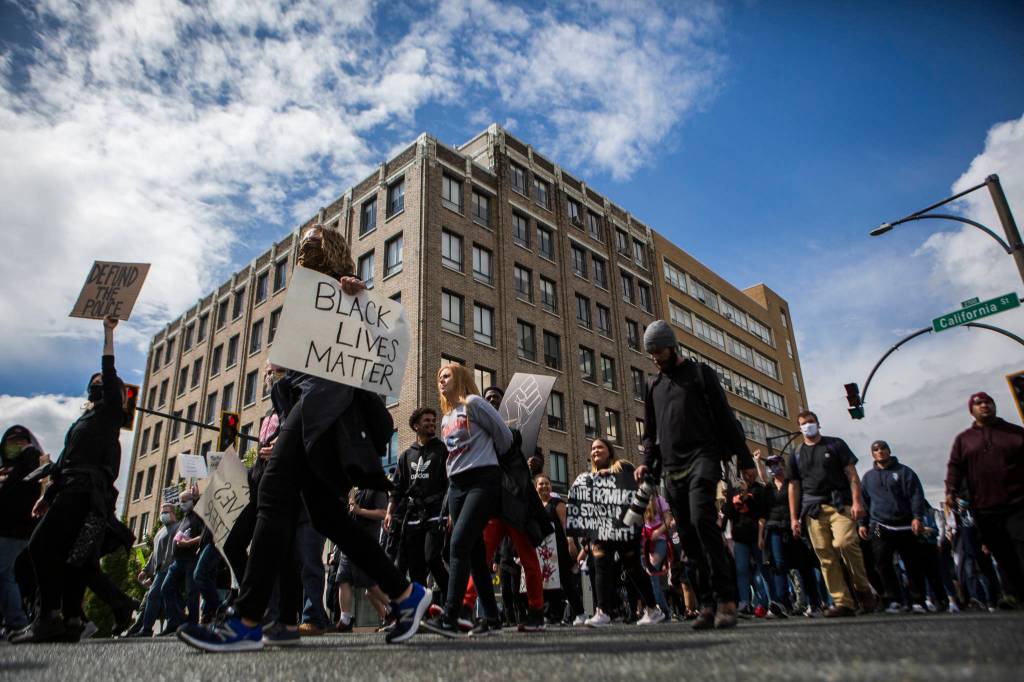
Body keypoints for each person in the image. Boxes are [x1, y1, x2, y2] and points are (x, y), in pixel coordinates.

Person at [178, 225, 430, 652]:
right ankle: (406, 594)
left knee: (274, 490)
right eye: (304, 241)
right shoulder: (303, 302)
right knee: (329, 518)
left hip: (329, 406)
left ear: (332, 249)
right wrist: (279, 374)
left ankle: (247, 618)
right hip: (310, 408)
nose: (306, 245)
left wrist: (360, 300)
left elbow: (378, 349)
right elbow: (294, 380)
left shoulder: (347, 293)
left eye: (315, 240)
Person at [13, 316, 132, 644]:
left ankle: (49, 618)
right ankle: (68, 619)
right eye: (94, 380)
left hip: (85, 495)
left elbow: (108, 372)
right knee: (72, 560)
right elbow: (65, 461)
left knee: (41, 547)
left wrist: (108, 334)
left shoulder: (109, 415)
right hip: (70, 491)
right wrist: (46, 495)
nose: (98, 381)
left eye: (103, 381)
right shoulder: (84, 421)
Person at [636, 320, 755, 630]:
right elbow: (651, 434)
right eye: (650, 353)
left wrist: (745, 459)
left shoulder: (701, 375)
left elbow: (726, 418)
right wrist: (648, 463)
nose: (654, 357)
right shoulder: (653, 386)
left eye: (658, 351)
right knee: (687, 536)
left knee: (703, 520)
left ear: (672, 346)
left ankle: (727, 600)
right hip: (672, 469)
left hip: (703, 457)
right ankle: (706, 604)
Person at [421, 364, 510, 638]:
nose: (441, 381)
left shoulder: (474, 403)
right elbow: (452, 458)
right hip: (457, 486)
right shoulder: (447, 418)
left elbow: (504, 437)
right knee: (474, 553)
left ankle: (451, 615)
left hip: (483, 480)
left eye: (446, 375)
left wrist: (486, 459)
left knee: (458, 544)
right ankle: (492, 618)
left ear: (460, 378)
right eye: (438, 378)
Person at [459, 384, 550, 633]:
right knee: (480, 557)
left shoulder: (514, 433)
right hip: (490, 505)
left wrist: (535, 463)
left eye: (496, 398)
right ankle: (467, 610)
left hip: (515, 502)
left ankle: (536, 612)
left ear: (503, 403)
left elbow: (534, 456)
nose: (491, 401)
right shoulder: (476, 433)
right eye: (487, 398)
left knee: (528, 558)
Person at [788, 411, 875, 617]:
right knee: (825, 557)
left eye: (811, 422)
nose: (807, 426)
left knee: (845, 543)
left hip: (840, 505)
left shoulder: (835, 445)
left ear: (818, 424)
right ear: (799, 428)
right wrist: (794, 518)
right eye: (803, 423)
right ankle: (842, 601)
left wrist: (856, 501)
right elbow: (794, 486)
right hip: (813, 510)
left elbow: (851, 474)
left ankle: (863, 589)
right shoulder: (797, 453)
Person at [945, 391, 1024, 607]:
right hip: (984, 506)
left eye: (988, 402)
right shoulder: (964, 440)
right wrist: (950, 490)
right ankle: (1013, 595)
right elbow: (955, 467)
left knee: (1021, 545)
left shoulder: (1015, 433)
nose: (984, 406)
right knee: (1002, 552)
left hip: (1018, 503)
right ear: (972, 410)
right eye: (979, 403)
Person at [583, 438, 665, 628]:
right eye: (593, 448)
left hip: (625, 526)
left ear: (609, 451)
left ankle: (653, 609)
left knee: (632, 567)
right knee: (601, 564)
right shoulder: (591, 476)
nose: (595, 451)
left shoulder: (623, 466)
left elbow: (632, 486)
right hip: (602, 528)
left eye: (600, 447)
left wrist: (608, 473)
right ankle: (602, 611)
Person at [859, 440, 935, 613]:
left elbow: (916, 495)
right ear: (872, 454)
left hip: (905, 525)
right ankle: (893, 599)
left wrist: (917, 517)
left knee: (912, 563)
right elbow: (864, 502)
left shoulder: (904, 472)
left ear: (889, 451)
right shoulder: (868, 477)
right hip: (878, 525)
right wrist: (862, 524)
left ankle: (918, 600)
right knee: (881, 562)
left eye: (883, 449)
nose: (880, 452)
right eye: (876, 450)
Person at [384, 407, 449, 604]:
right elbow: (397, 488)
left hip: (436, 512)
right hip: (412, 517)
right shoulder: (406, 456)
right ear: (416, 426)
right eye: (427, 420)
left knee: (431, 557)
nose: (431, 423)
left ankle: (454, 602)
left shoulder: (442, 450)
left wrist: (451, 512)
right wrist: (389, 512)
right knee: (415, 567)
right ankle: (424, 612)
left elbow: (450, 483)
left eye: (433, 420)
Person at [759, 452, 822, 616]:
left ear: (783, 465)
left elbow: (802, 503)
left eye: (776, 464)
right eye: (770, 465)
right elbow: (764, 514)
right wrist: (761, 535)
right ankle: (782, 604)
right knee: (778, 566)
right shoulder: (768, 488)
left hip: (793, 527)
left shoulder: (793, 484)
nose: (773, 468)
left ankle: (814, 603)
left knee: (803, 565)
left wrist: (799, 521)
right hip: (774, 529)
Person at [0, 425, 43, 637]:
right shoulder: (7, 470)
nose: (13, 446)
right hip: (7, 529)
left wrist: (29, 450)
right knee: (5, 575)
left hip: (16, 530)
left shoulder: (30, 463)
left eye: (19, 442)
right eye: (9, 442)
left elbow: (40, 465)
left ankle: (16, 621)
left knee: (3, 574)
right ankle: (14, 621)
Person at [336, 487, 390, 632]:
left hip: (366, 541)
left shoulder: (376, 489)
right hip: (349, 540)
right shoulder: (353, 489)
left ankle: (393, 609)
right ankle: (345, 620)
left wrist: (360, 511)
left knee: (369, 583)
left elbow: (383, 513)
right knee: (343, 578)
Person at [536, 473, 585, 625]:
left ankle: (580, 613)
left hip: (560, 548)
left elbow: (566, 525)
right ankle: (552, 615)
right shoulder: (535, 506)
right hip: (544, 550)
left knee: (566, 582)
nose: (544, 486)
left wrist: (571, 543)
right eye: (541, 484)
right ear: (535, 487)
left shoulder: (557, 503)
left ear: (551, 486)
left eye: (547, 483)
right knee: (548, 583)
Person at [129, 502, 179, 637]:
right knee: (163, 598)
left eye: (166, 512)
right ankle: (169, 626)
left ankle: (147, 629)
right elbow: (154, 553)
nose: (163, 515)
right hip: (160, 571)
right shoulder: (159, 532)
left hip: (169, 569)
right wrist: (145, 570)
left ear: (173, 513)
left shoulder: (178, 527)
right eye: (162, 512)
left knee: (154, 597)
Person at [162, 490, 204, 630]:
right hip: (177, 561)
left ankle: (192, 624)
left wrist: (188, 543)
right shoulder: (185, 517)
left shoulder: (199, 516)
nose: (182, 504)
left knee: (192, 592)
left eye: (185, 500)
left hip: (191, 560)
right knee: (166, 588)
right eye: (181, 501)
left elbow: (204, 536)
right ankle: (175, 621)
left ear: (193, 500)